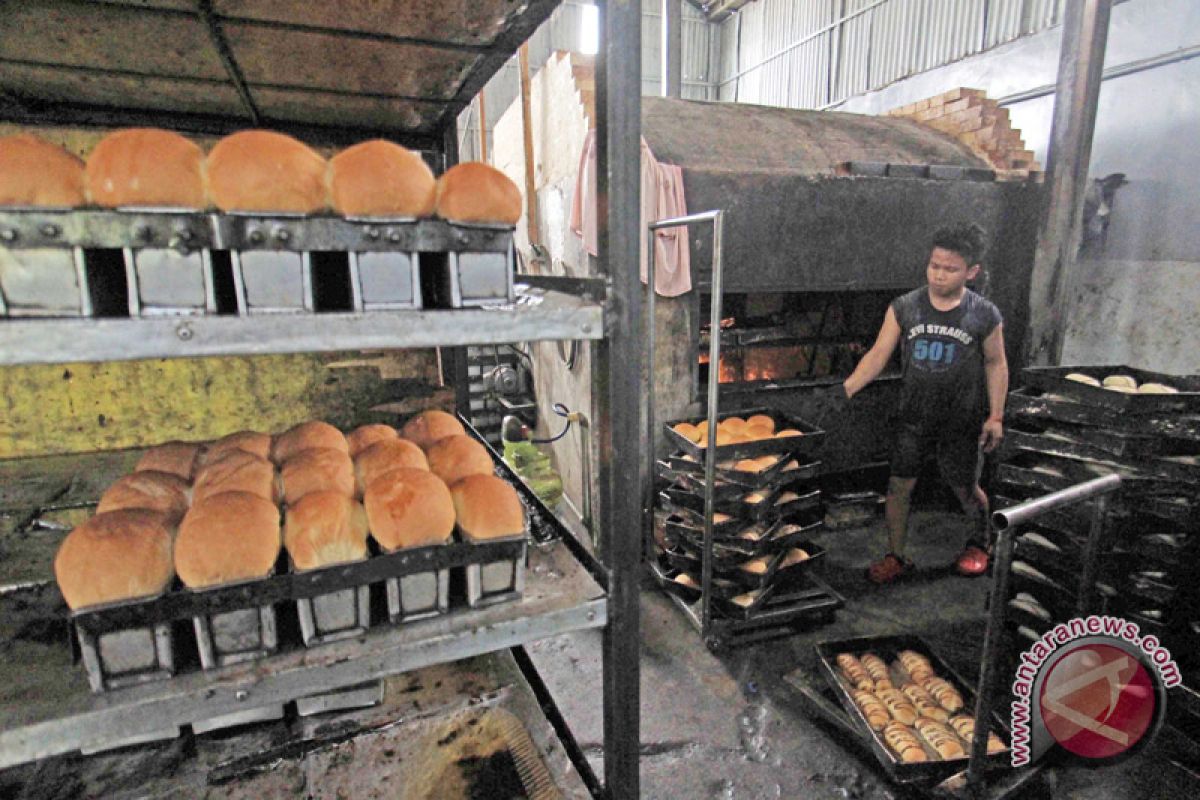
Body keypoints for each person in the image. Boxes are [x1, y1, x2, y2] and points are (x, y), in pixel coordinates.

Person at [839, 223, 1008, 584]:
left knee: (965, 487)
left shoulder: (983, 314)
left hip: (961, 421)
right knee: (899, 486)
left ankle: (980, 542)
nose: (939, 275)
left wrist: (996, 416)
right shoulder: (905, 307)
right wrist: (847, 388)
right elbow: (878, 354)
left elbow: (996, 363)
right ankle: (897, 555)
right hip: (913, 418)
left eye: (950, 269)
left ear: (971, 272)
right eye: (934, 265)